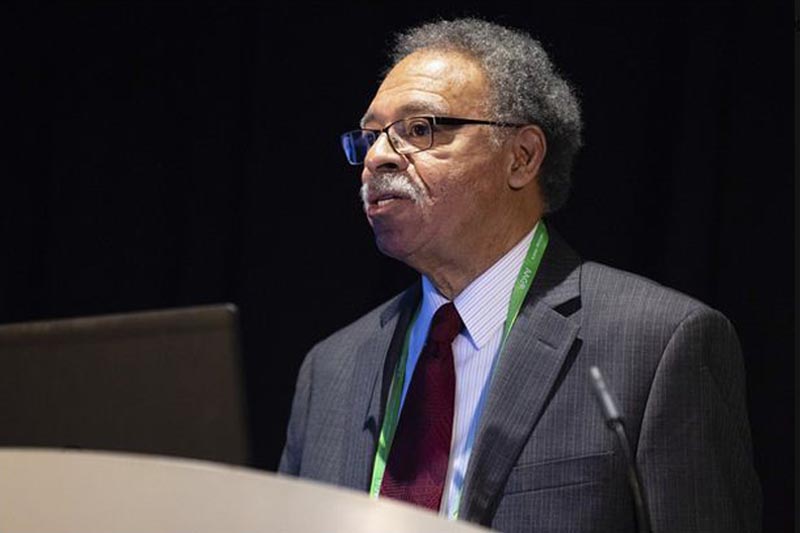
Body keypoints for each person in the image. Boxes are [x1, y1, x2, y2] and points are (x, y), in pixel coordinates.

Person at [279, 18, 761, 532]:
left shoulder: (658, 345)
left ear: (522, 157)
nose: (376, 159)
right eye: (371, 137)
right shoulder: (329, 369)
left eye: (419, 130)